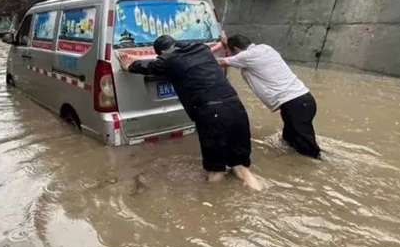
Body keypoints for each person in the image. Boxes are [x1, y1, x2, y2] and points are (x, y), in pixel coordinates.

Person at [120, 35, 265, 190]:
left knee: (216, 172)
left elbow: (146, 67)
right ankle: (259, 192)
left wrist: (129, 65)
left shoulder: (167, 60)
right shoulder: (202, 49)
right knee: (241, 168)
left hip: (213, 114)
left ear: (161, 53)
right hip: (236, 107)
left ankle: (215, 202)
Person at [218, 33, 321, 159]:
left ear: (237, 50)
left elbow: (220, 62)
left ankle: (316, 166)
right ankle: (293, 164)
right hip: (302, 100)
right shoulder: (265, 48)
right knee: (290, 140)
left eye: (231, 52)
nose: (231, 55)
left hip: (295, 104)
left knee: (308, 150)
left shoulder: (246, 56)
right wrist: (226, 43)